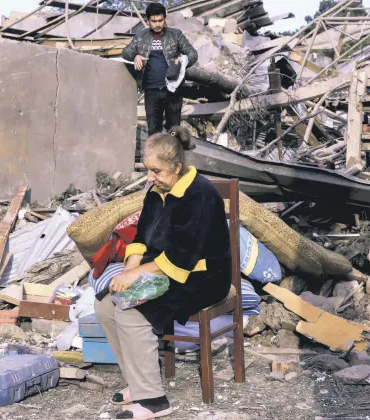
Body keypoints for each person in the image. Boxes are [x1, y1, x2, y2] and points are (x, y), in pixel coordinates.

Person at [95, 127, 231, 419]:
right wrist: (130, 270)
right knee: (105, 304)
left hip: (203, 278)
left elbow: (184, 255)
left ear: (177, 167)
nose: (150, 176)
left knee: (131, 310)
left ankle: (154, 401)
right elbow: (141, 237)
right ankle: (137, 382)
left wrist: (137, 275)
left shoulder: (200, 195)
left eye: (156, 170)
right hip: (165, 271)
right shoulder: (156, 193)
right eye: (148, 169)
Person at [122, 3, 198, 135]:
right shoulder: (141, 36)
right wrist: (135, 56)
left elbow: (192, 54)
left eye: (160, 20)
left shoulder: (175, 35)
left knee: (174, 131)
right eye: (153, 21)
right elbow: (125, 52)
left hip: (173, 90)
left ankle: (173, 155)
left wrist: (181, 62)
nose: (157, 24)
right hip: (151, 91)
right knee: (153, 131)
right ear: (148, 21)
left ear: (165, 19)